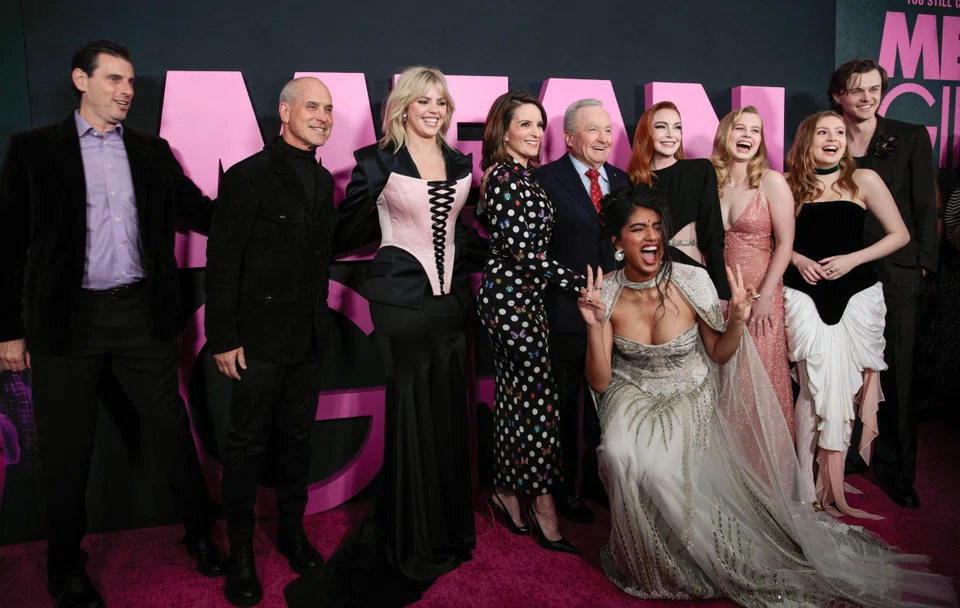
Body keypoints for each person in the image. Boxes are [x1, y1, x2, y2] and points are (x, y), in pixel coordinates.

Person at [579, 185, 955, 607]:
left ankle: (687, 554)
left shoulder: (691, 279)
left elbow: (720, 355)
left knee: (662, 472)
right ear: (617, 242)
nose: (651, 237)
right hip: (633, 393)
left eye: (656, 228)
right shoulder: (604, 293)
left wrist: (737, 319)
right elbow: (600, 381)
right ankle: (649, 554)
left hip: (689, 388)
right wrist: (595, 325)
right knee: (616, 453)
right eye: (637, 229)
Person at [0, 40, 223, 608]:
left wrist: (264, 201)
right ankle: (65, 567)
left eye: (130, 83)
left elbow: (200, 211)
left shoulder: (152, 152)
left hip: (138, 318)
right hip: (64, 323)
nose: (126, 91)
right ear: (81, 79)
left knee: (172, 432)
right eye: (115, 80)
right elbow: (8, 245)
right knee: (67, 450)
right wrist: (8, 329)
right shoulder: (33, 151)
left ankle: (201, 535)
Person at [285, 66, 480, 608]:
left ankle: (443, 529)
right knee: (411, 419)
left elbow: (462, 233)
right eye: (424, 101)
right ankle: (410, 537)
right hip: (399, 307)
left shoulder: (463, 161)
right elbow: (345, 230)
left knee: (445, 418)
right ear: (404, 107)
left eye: (441, 101)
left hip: (449, 307)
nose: (434, 109)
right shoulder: (376, 161)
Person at [204, 77, 335, 607]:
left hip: (307, 340)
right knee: (246, 446)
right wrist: (223, 336)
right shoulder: (248, 177)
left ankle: (291, 533)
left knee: (298, 440)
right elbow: (223, 260)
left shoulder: (325, 182)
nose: (323, 116)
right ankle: (240, 552)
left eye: (329, 109)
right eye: (312, 106)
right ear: (284, 111)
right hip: (255, 341)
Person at [475, 90, 586, 555]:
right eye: (524, 124)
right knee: (539, 405)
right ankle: (543, 505)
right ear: (503, 130)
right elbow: (524, 254)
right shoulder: (501, 177)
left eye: (539, 125)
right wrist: (580, 281)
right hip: (509, 302)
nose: (535, 132)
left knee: (516, 400)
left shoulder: (528, 176)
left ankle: (505, 489)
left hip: (528, 301)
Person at [783, 111, 909, 518]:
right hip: (804, 293)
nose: (833, 138)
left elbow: (900, 235)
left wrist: (853, 260)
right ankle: (803, 483)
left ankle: (831, 482)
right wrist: (799, 259)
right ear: (807, 140)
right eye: (823, 132)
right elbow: (770, 239)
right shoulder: (786, 185)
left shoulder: (864, 180)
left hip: (855, 295)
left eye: (839, 132)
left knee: (843, 392)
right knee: (811, 387)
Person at [828, 59, 938, 509]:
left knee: (900, 372)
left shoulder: (910, 137)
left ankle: (897, 471)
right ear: (838, 95)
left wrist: (924, 267)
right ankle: (851, 454)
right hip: (844, 276)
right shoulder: (826, 137)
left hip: (898, 273)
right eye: (857, 90)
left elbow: (924, 207)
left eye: (874, 89)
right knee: (846, 372)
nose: (868, 97)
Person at [535, 99, 630, 522]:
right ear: (570, 137)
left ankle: (598, 481)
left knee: (605, 404)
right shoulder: (544, 180)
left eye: (607, 131)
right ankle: (565, 487)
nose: (603, 139)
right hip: (565, 313)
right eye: (593, 130)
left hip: (616, 312)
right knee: (567, 406)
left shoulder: (623, 181)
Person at [711, 106, 796, 439]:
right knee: (724, 379)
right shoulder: (710, 180)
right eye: (739, 128)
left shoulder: (771, 181)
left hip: (762, 294)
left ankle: (767, 471)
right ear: (725, 134)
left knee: (757, 381)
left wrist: (765, 297)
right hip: (720, 296)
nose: (746, 136)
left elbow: (786, 244)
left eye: (754, 130)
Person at [627, 101, 730, 299]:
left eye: (677, 127)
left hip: (692, 276)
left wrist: (723, 293)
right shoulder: (633, 182)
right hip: (647, 282)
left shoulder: (700, 171)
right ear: (645, 133)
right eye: (660, 127)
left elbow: (713, 235)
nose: (670, 134)